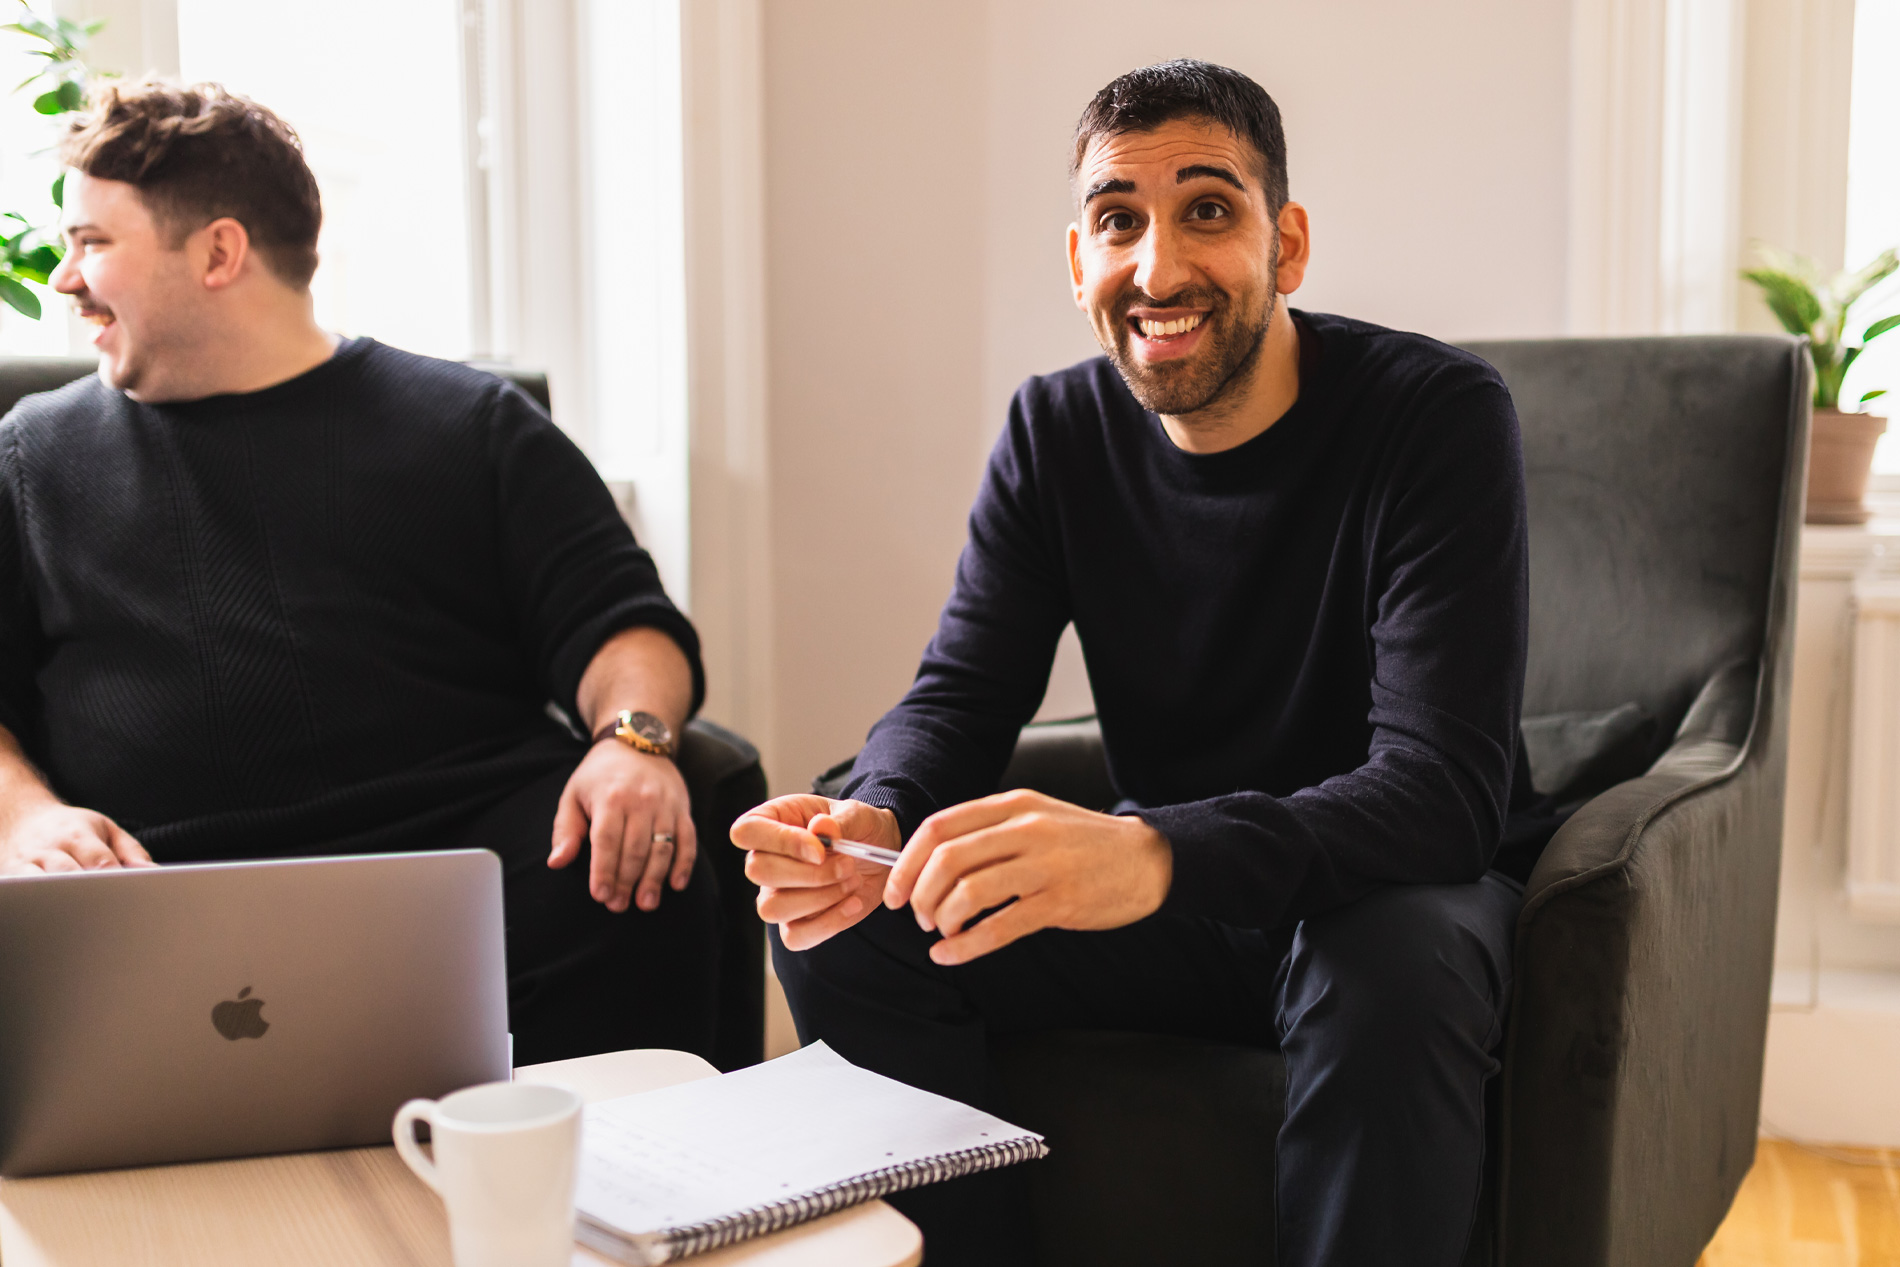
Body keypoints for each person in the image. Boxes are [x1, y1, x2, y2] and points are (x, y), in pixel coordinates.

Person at [733, 59, 1532, 1267]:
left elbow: (1441, 793)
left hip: (1382, 894)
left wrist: (1153, 851)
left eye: (1207, 210)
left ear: (1288, 244)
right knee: (845, 923)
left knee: (1390, 969)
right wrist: (872, 817)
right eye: (1119, 221)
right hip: (1183, 903)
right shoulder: (1054, 431)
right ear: (1077, 262)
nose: (1156, 270)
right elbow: (960, 687)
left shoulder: (1434, 416)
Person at [0, 80, 718, 1066]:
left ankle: (628, 1203)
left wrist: (634, 742)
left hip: (468, 870)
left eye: (93, 243)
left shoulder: (470, 426)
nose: (65, 277)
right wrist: (25, 812)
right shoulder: (33, 458)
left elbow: (619, 626)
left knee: (638, 869)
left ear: (218, 252)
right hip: (160, 884)